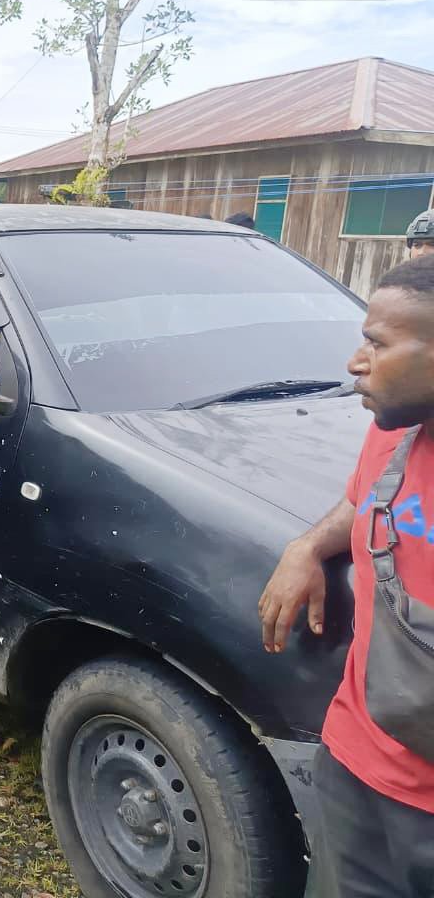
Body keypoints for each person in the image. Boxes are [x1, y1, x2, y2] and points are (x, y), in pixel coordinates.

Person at [259, 253, 434, 895]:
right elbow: (364, 501)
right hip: (354, 765)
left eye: (377, 343)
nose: (355, 362)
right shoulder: (397, 432)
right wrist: (308, 545)